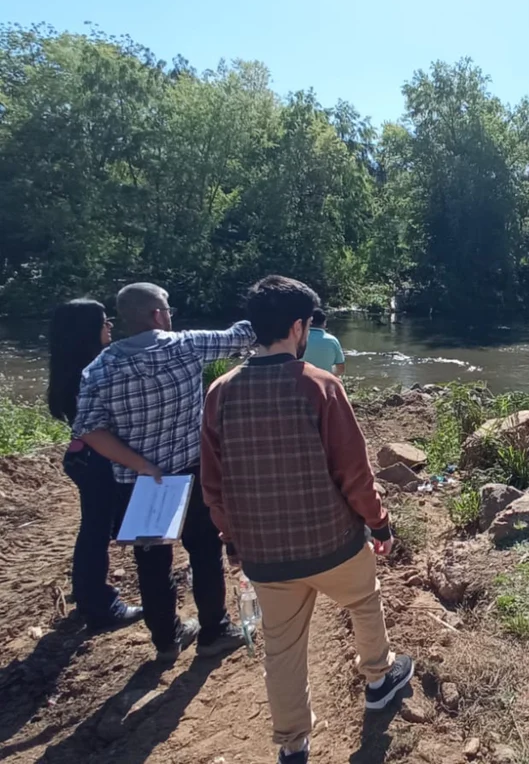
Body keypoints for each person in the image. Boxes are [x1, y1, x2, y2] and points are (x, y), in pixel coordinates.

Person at [201, 276, 413, 764]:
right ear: (298, 328)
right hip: (333, 542)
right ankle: (379, 679)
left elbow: (214, 486)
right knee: (364, 600)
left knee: (281, 649)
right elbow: (354, 474)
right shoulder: (320, 385)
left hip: (265, 555)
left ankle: (293, 744)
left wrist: (233, 540)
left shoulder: (221, 392)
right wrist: (378, 524)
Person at [73, 283, 256, 661]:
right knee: (205, 552)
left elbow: (89, 430)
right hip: (191, 471)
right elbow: (242, 336)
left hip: (137, 482)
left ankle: (166, 640)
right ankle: (214, 631)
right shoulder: (186, 345)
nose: (170, 314)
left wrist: (141, 465)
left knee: (151, 562)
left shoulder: (100, 368)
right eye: (168, 308)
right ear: (158, 314)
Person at [47, 299, 144, 630]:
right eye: (105, 322)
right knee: (96, 531)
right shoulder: (90, 372)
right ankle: (100, 606)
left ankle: (87, 592)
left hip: (83, 458)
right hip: (97, 460)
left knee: (94, 528)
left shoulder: (70, 368)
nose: (110, 327)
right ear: (87, 330)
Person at [302, 308, 345, 375]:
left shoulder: (299, 338)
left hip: (302, 381)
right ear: (324, 323)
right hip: (325, 383)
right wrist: (329, 375)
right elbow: (340, 368)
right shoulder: (333, 340)